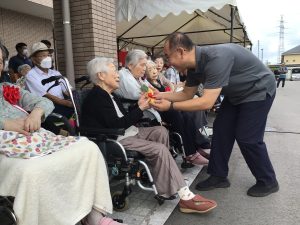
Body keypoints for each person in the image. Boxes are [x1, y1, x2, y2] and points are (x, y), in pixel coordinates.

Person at [0, 43, 125, 225]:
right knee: (33, 171)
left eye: (0, 60)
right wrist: (5, 124)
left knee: (87, 148)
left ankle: (93, 217)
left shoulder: (6, 87)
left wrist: (36, 112)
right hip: (6, 142)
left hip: (31, 135)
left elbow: (42, 101)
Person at [81, 56, 217, 214]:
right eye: (114, 71)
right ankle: (184, 196)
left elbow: (122, 117)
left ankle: (164, 178)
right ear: (101, 76)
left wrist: (138, 106)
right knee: (159, 149)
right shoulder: (97, 98)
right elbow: (117, 125)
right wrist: (140, 109)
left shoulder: (110, 95)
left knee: (161, 131)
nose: (118, 74)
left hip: (128, 132)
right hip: (115, 138)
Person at [151, 32, 279, 197]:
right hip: (236, 94)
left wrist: (171, 106)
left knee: (247, 137)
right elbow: (186, 94)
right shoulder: (193, 68)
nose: (167, 62)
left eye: (168, 57)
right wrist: (160, 95)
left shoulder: (216, 58)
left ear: (181, 52)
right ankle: (218, 176)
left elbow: (206, 102)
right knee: (221, 129)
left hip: (258, 89)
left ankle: (268, 181)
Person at [115, 50, 209, 165]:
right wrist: (151, 92)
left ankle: (194, 148)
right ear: (130, 65)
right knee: (175, 113)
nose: (145, 68)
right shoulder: (124, 76)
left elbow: (151, 91)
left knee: (186, 114)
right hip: (140, 111)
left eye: (145, 65)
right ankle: (189, 153)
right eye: (143, 65)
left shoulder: (138, 78)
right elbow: (139, 93)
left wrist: (152, 92)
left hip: (150, 106)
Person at [25, 42, 74, 118]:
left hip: (62, 104)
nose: (47, 58)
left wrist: (75, 99)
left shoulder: (55, 73)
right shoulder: (31, 75)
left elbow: (67, 90)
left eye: (48, 55)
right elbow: (46, 95)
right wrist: (68, 103)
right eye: (43, 56)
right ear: (34, 60)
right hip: (47, 108)